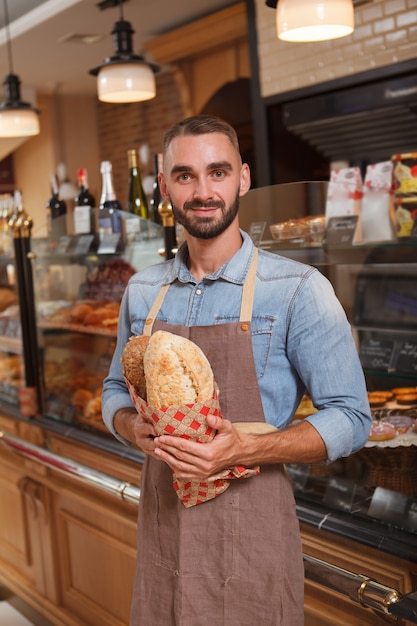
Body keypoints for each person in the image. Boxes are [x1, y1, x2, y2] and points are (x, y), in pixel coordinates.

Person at [102, 114, 372, 626]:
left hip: (253, 532)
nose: (203, 191)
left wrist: (247, 447)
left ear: (243, 178)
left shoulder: (296, 288)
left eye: (218, 172)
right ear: (164, 187)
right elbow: (116, 387)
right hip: (164, 528)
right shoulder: (143, 290)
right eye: (185, 175)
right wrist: (130, 426)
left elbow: (352, 417)